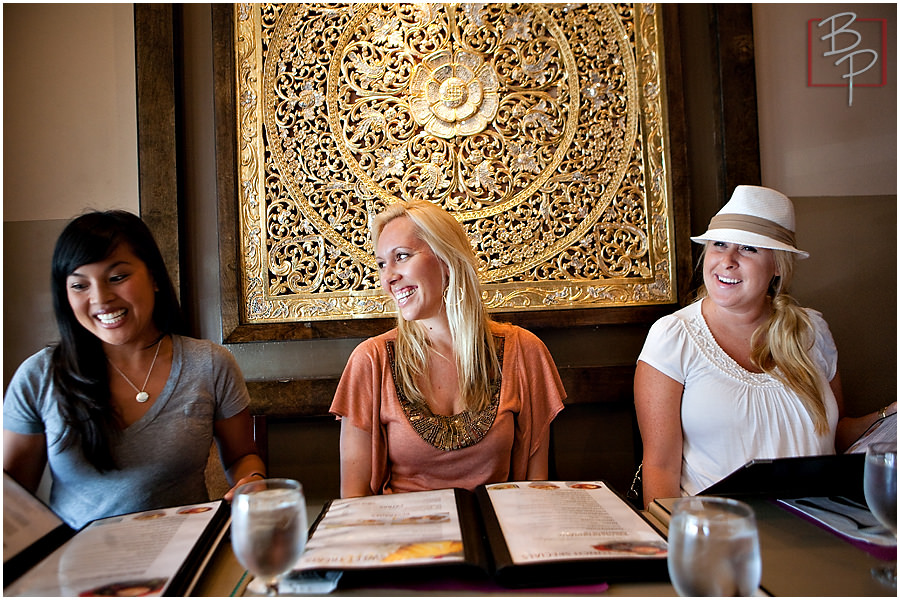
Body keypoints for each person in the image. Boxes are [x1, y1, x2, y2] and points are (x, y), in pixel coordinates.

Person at [634, 185, 895, 508]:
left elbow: (835, 436)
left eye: (748, 248)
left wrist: (890, 415)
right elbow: (661, 467)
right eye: (718, 245)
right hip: (720, 536)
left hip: (822, 527)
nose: (727, 261)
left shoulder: (812, 331)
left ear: (777, 266)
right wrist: (676, 549)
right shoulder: (674, 336)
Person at [3, 210, 266, 528]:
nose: (101, 298)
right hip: (78, 567)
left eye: (117, 278)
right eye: (79, 285)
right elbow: (13, 499)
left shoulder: (210, 364)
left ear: (154, 277)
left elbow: (241, 457)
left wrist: (251, 480)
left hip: (185, 556)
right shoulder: (39, 377)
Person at [330, 200, 566, 497]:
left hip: (496, 534)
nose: (388, 278)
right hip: (404, 538)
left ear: (446, 260)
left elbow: (536, 491)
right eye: (381, 264)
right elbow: (354, 501)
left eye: (401, 257)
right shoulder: (371, 361)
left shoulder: (524, 352)